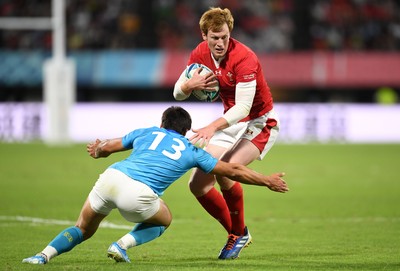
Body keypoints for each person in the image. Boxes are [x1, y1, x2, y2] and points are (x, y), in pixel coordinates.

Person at [22, 106, 288, 265]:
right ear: (186, 131)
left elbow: (108, 146)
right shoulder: (191, 150)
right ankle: (121, 245)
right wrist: (266, 181)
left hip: (110, 178)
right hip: (138, 194)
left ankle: (42, 256)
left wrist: (98, 150)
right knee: (164, 219)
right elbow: (233, 170)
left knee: (82, 227)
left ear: (162, 124)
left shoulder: (146, 132)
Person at [173, 7, 281, 259]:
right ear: (204, 36)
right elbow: (177, 93)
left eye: (224, 36)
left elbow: (244, 107)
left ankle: (236, 235)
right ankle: (239, 231)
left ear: (229, 32)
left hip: (259, 122)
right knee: (197, 184)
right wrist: (189, 85)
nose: (220, 43)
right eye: (215, 38)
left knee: (226, 168)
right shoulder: (199, 54)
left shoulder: (245, 57)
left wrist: (212, 126)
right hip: (230, 122)